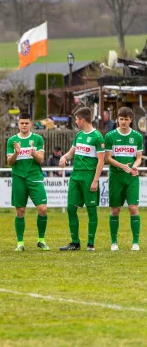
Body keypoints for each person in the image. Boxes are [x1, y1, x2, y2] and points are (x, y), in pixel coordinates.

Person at [59, 107, 105, 251]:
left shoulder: (97, 137)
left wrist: (95, 180)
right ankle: (75, 243)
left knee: (91, 210)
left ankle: (90, 243)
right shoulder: (79, 136)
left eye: (77, 119)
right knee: (71, 208)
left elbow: (101, 161)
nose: (76, 122)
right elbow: (71, 153)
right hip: (75, 175)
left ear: (82, 119)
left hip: (89, 176)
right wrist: (64, 157)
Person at [6, 113, 49, 252]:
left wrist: (33, 153)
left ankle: (41, 240)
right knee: (20, 211)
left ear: (31, 123)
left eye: (26, 123)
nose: (24, 125)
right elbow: (9, 162)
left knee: (42, 209)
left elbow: (41, 160)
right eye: (21, 123)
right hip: (18, 177)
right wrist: (16, 153)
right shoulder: (12, 140)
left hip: (34, 177)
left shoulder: (38, 139)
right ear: (18, 124)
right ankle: (20, 243)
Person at [105, 107, 142, 251]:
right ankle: (114, 242)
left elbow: (138, 158)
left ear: (131, 120)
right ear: (117, 120)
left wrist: (133, 167)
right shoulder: (110, 136)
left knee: (133, 208)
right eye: (121, 119)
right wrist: (122, 166)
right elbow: (108, 158)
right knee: (115, 210)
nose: (124, 122)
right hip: (116, 176)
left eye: (126, 119)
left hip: (131, 177)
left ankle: (136, 242)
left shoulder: (137, 137)